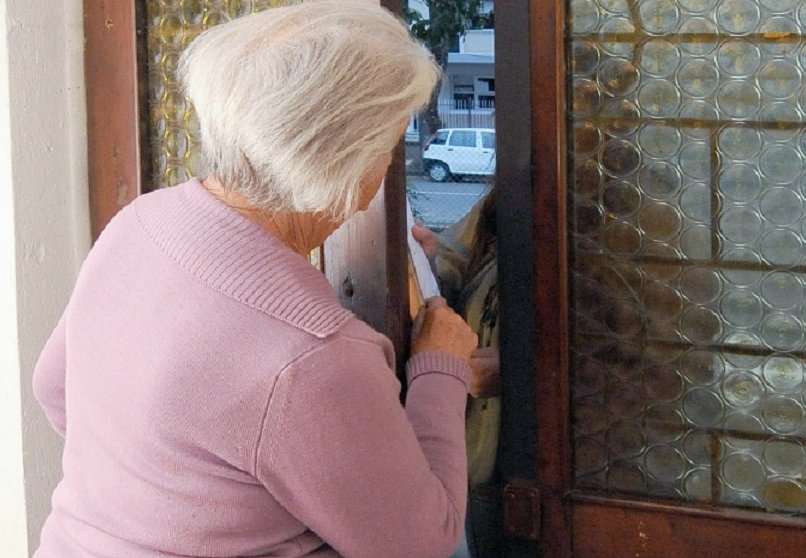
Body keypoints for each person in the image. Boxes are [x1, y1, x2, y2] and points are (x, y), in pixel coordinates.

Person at [31, 3, 478, 557]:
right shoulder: (313, 354)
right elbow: (419, 543)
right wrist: (442, 368)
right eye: (390, 142)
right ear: (350, 161)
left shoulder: (141, 222)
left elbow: (53, 387)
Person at [413, 188, 503, 558]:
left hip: (553, 465)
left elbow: (618, 350)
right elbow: (464, 257)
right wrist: (432, 256)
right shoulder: (504, 195)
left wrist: (525, 372)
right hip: (482, 456)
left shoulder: (616, 216)